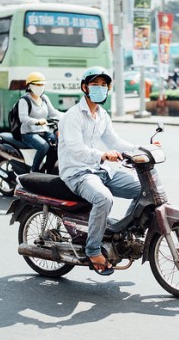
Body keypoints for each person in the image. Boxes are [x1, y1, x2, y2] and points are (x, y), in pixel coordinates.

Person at [57, 66, 141, 276]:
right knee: (104, 199)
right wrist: (103, 155)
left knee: (143, 189)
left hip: (99, 170)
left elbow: (114, 141)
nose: (100, 89)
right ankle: (93, 249)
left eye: (104, 85)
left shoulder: (102, 115)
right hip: (78, 173)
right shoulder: (73, 116)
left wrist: (141, 150)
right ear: (85, 87)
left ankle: (121, 233)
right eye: (95, 85)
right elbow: (76, 149)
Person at [19, 72, 64, 172]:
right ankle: (34, 170)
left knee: (57, 143)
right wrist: (37, 122)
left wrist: (68, 116)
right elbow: (23, 118)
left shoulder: (44, 98)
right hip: (28, 133)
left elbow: (53, 113)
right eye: (37, 84)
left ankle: (48, 169)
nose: (40, 87)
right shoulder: (24, 100)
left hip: (43, 130)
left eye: (42, 84)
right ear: (30, 86)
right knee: (44, 146)